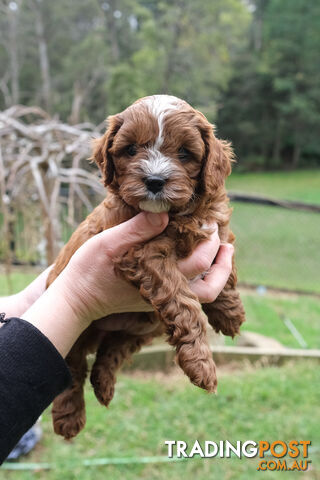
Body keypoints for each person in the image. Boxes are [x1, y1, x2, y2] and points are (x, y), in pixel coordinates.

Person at [0, 212, 233, 463]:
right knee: (77, 350)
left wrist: (225, 299)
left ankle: (108, 360)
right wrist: (75, 298)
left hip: (123, 319)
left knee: (144, 326)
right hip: (83, 321)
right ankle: (72, 385)